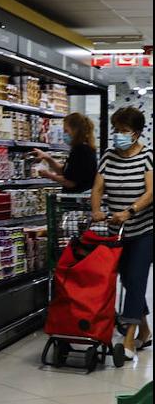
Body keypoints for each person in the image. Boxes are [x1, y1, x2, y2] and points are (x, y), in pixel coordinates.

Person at [92, 106, 153, 359]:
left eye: (124, 131)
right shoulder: (108, 155)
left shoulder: (147, 155)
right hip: (115, 231)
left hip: (144, 229)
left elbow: (151, 192)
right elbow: (98, 187)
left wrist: (130, 210)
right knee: (126, 279)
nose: (118, 135)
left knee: (136, 279)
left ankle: (128, 340)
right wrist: (96, 209)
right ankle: (145, 331)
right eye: (116, 130)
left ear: (136, 133)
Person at [34, 112, 97, 192]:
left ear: (76, 131)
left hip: (76, 200)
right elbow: (64, 172)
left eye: (66, 131)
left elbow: (71, 182)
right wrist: (48, 158)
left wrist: (48, 175)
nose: (64, 134)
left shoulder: (82, 151)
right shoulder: (80, 149)